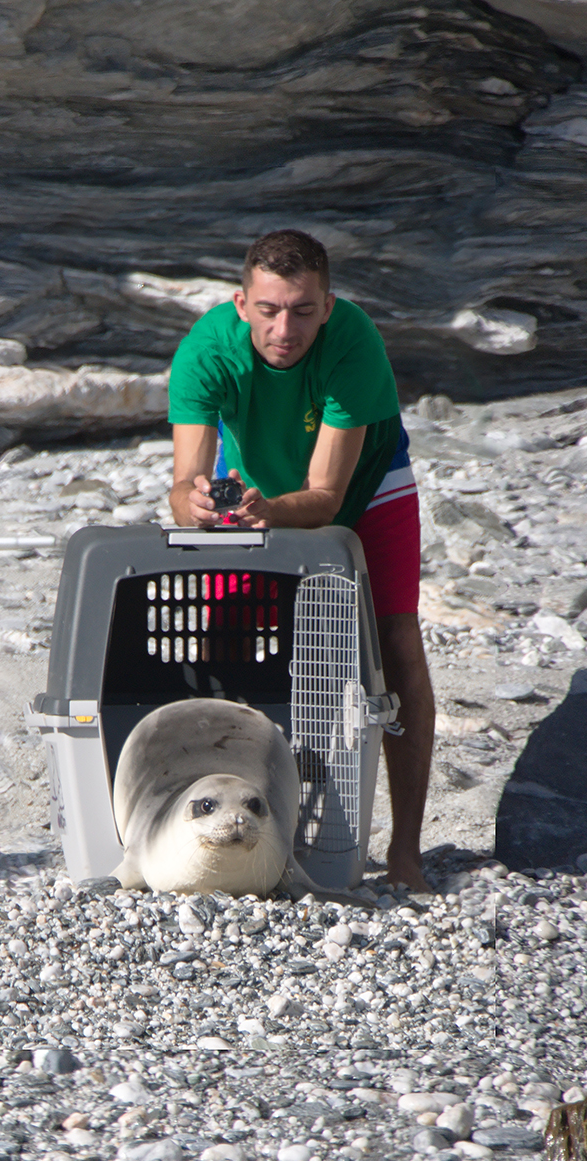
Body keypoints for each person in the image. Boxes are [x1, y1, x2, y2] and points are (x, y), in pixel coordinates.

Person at [164, 228, 435, 893]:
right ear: (241, 303)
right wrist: (196, 505)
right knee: (218, 640)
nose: (285, 328)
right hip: (255, 481)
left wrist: (265, 514)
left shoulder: (354, 345)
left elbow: (325, 500)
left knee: (396, 641)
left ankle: (404, 853)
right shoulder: (204, 352)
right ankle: (220, 832)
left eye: (303, 310)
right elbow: (180, 488)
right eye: (268, 310)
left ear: (328, 304)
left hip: (367, 487)